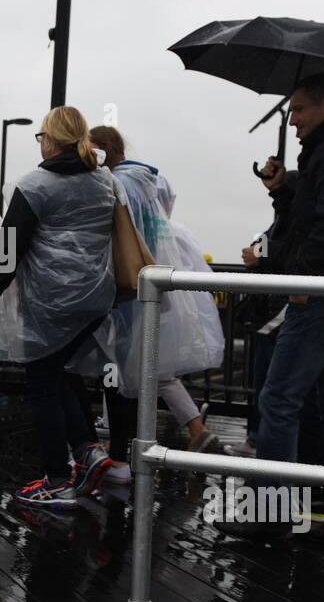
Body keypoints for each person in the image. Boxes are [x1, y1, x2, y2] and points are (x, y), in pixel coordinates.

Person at [225, 73, 324, 551]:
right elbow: (317, 218)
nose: (292, 120)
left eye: (299, 110)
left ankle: (271, 514)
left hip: (323, 296)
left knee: (278, 401)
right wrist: (280, 188)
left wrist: (301, 280)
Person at [0, 105, 116, 509]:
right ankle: (88, 451)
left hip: (52, 303)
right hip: (96, 300)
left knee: (42, 382)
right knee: (58, 371)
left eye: (41, 136)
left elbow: (8, 252)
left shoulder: (35, 185)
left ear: (50, 139)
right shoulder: (105, 182)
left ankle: (57, 478)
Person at [86, 125, 226, 484]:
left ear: (100, 151)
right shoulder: (144, 183)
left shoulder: (120, 184)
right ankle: (128, 448)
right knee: (138, 371)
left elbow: (114, 236)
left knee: (120, 371)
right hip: (146, 290)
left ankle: (120, 454)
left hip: (125, 292)